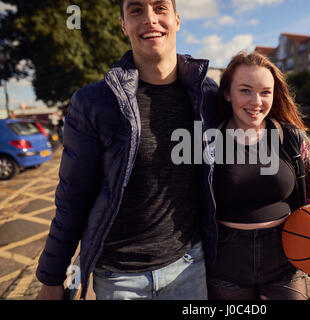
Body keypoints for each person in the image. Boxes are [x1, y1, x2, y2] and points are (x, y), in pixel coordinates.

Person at [35, 0, 218, 300]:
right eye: (136, 10)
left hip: (189, 267)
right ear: (123, 25)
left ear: (177, 19)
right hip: (119, 279)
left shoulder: (206, 95)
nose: (149, 19)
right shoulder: (93, 102)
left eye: (160, 8)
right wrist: (52, 278)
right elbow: (72, 197)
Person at [205, 52, 310, 300]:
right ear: (228, 93)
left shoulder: (291, 138)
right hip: (227, 261)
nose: (256, 101)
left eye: (265, 92)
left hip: (287, 254)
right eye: (245, 90)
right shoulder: (208, 143)